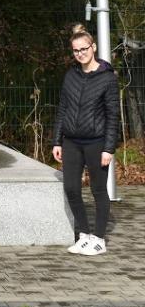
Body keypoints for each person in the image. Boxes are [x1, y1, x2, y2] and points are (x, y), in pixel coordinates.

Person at [52, 24, 119, 256]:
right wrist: (57, 141)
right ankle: (84, 235)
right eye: (76, 50)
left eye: (84, 48)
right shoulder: (71, 76)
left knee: (98, 190)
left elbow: (113, 116)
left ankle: (99, 239)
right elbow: (62, 109)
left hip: (96, 143)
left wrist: (109, 148)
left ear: (93, 47)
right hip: (71, 141)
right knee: (71, 187)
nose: (80, 53)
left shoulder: (107, 78)